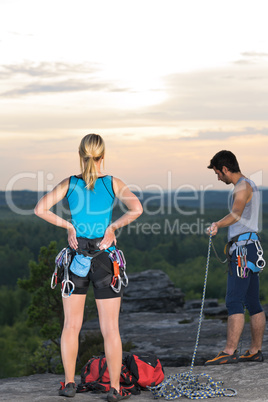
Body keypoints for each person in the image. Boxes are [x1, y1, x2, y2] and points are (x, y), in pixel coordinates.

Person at [34, 134, 143, 400]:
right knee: (111, 328)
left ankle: (70, 384)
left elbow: (40, 209)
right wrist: (113, 226)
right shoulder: (112, 183)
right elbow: (136, 208)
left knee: (71, 325)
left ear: (80, 155)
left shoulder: (70, 183)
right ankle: (115, 389)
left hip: (75, 258)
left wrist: (69, 226)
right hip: (106, 259)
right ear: (102, 156)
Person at [205, 150, 266, 365]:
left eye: (217, 173)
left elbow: (236, 213)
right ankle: (255, 351)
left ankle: (229, 352)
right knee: (252, 302)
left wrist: (217, 225)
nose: (218, 178)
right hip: (251, 247)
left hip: (242, 251)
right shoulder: (250, 184)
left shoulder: (242, 187)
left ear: (224, 168)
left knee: (234, 300)